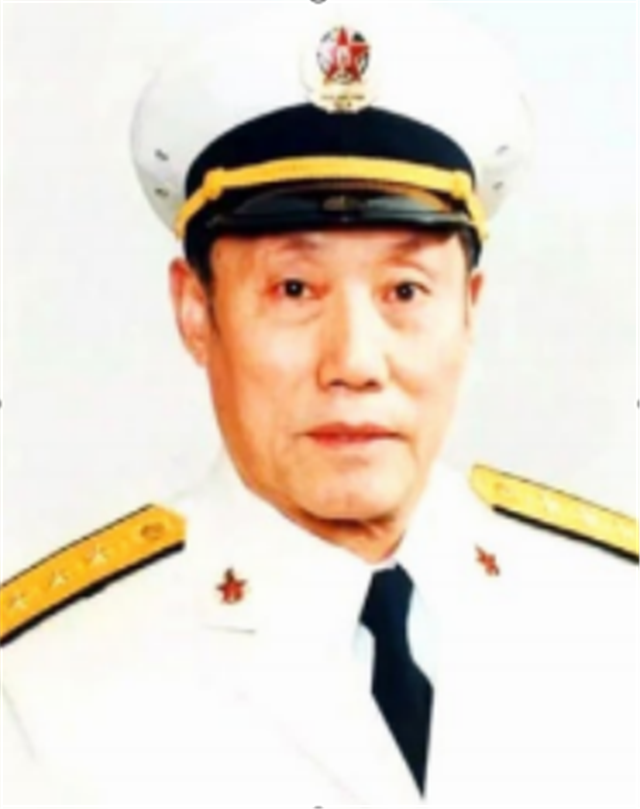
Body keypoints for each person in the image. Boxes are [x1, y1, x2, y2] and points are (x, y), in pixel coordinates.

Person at [1, 3, 637, 807]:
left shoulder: (611, 619)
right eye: (295, 289)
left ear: (469, 309)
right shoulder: (44, 693)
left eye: (405, 291)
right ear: (196, 311)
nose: (355, 363)